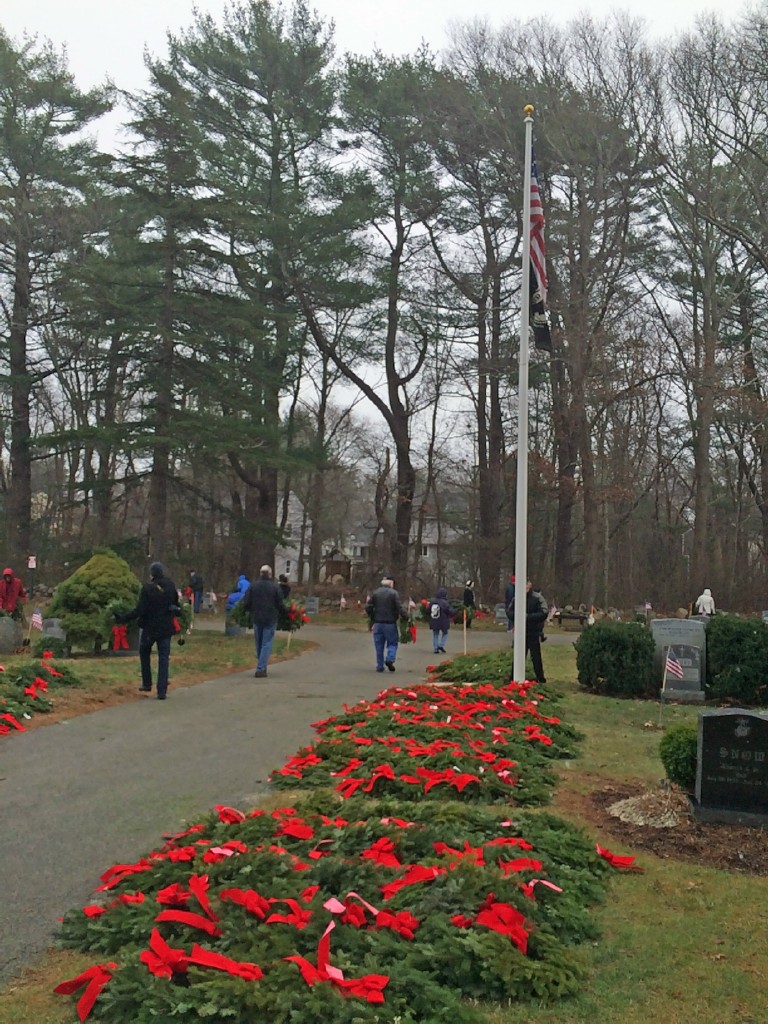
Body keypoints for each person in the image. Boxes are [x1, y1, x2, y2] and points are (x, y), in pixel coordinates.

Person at [117, 562, 179, 700]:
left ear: (152, 574)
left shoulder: (147, 588)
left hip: (150, 628)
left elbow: (140, 610)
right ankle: (161, 691)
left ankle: (147, 683)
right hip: (166, 628)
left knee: (144, 653)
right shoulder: (170, 586)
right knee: (164, 658)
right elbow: (175, 605)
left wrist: (123, 618)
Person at [242, 565, 285, 678]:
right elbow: (280, 603)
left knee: (259, 642)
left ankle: (262, 666)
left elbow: (246, 602)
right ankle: (261, 668)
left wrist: (247, 611)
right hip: (270, 618)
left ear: (260, 573)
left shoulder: (253, 586)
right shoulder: (275, 587)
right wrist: (286, 613)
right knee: (266, 643)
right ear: (270, 574)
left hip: (256, 617)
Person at [509, 579, 548, 684]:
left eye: (527, 585)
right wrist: (518, 617)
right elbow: (509, 611)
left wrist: (528, 617)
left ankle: (540, 678)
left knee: (535, 656)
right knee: (518, 656)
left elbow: (544, 612)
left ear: (530, 586)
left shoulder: (538, 598)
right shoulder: (517, 598)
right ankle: (513, 677)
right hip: (520, 632)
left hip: (534, 631)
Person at [365, 576, 407, 672]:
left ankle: (380, 666)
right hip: (390, 623)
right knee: (392, 643)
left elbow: (368, 606)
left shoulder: (375, 593)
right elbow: (399, 607)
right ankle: (390, 658)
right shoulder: (394, 594)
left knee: (379, 646)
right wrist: (406, 616)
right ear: (391, 583)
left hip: (378, 623)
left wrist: (372, 616)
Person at [428, 586, 455, 654]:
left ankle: (435, 648)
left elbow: (428, 610)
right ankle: (441, 644)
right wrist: (456, 611)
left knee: (435, 634)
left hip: (434, 620)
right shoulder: (445, 602)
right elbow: (449, 611)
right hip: (443, 621)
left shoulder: (432, 601)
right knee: (445, 633)